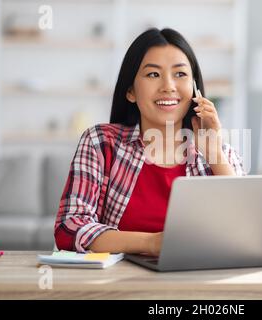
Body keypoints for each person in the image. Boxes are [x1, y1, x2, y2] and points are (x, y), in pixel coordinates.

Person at [54, 28, 245, 256]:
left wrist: (215, 154)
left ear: (195, 89)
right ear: (131, 91)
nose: (168, 86)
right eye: (153, 74)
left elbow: (246, 234)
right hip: (118, 286)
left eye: (180, 74)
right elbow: (69, 228)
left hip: (198, 283)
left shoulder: (222, 155)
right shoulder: (100, 143)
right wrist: (151, 244)